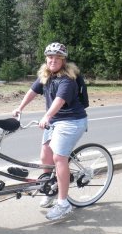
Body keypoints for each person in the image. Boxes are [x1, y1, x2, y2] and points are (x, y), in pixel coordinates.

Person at [12, 42, 87, 221]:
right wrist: (20, 107)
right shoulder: (46, 75)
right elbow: (32, 91)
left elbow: (59, 101)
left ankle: (63, 203)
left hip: (71, 121)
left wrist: (46, 116)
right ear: (46, 58)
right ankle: (51, 188)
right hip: (54, 121)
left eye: (57, 58)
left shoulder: (67, 79)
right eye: (50, 57)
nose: (53, 60)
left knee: (59, 158)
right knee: (45, 156)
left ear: (63, 60)